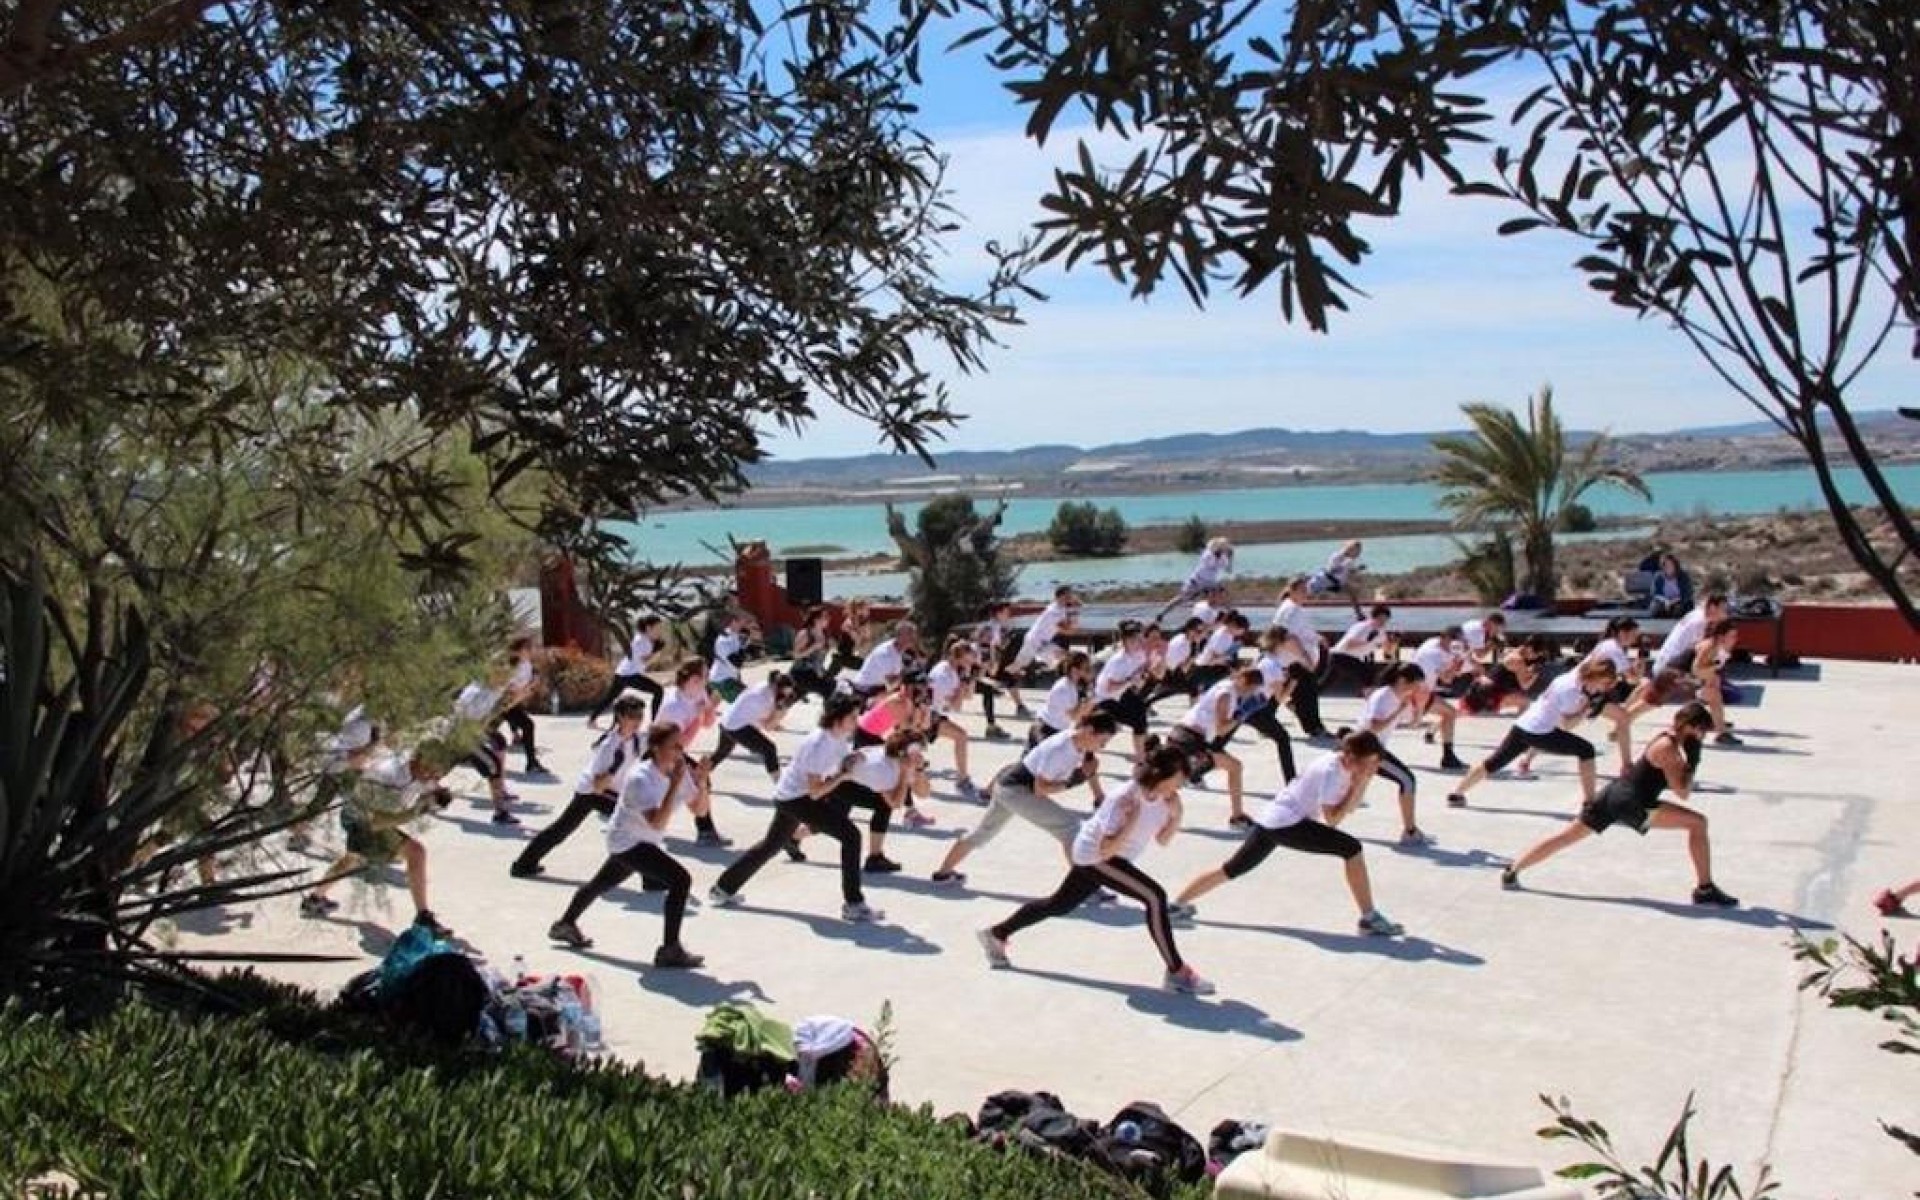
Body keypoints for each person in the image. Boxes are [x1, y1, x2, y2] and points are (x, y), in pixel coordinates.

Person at [978, 744, 1214, 995]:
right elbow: (1105, 851)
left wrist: (1177, 815)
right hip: (1096, 856)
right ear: (1160, 774)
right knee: (1155, 898)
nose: (1180, 785)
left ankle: (996, 934)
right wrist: (1131, 822)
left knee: (1059, 904)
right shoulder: (1124, 798)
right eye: (1178, 779)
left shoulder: (1165, 799)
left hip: (1108, 858)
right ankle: (1177, 972)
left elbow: (1163, 840)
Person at [1169, 730, 1405, 937]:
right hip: (1287, 824)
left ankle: (1176, 905)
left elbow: (1348, 807)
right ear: (1353, 757)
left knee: (1232, 868)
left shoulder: (1341, 763)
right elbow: (1333, 820)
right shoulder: (1332, 772)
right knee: (1352, 849)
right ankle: (1369, 917)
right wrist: (1361, 782)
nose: (1370, 768)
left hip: (1274, 819)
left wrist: (1359, 782)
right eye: (1368, 763)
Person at [1499, 703, 1737, 907]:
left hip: (1613, 793)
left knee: (1568, 836)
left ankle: (1513, 870)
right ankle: (1705, 889)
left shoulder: (1666, 738)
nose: (1703, 736)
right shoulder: (1670, 751)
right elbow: (1682, 792)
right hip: (1634, 803)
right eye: (1702, 731)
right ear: (1690, 727)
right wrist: (1693, 760)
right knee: (1698, 823)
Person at [709, 697, 886, 922]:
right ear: (838, 719)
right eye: (852, 717)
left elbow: (839, 762)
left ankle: (723, 888)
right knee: (851, 836)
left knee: (770, 845)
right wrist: (843, 776)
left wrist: (855, 757)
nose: (857, 720)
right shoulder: (818, 744)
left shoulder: (838, 737)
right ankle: (854, 904)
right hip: (797, 799)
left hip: (790, 796)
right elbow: (815, 792)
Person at [547, 721, 708, 967]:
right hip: (627, 841)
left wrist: (702, 782)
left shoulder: (679, 770)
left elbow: (699, 810)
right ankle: (670, 949)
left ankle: (564, 924)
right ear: (655, 748)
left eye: (681, 745)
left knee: (600, 883)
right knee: (680, 880)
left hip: (643, 841)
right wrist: (675, 785)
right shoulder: (640, 778)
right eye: (673, 745)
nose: (679, 750)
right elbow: (656, 822)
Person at [932, 711, 1118, 886]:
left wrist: (1092, 785)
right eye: (1102, 742)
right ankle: (1080, 888)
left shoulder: (1079, 742)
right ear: (1089, 731)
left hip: (1006, 787)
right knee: (1070, 828)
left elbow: (1088, 771)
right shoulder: (1061, 750)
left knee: (982, 832)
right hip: (1017, 791)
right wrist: (1075, 780)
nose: (1103, 748)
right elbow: (1040, 789)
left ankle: (943, 873)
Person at [300, 740, 457, 937]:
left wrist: (439, 793)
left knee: (352, 859)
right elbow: (378, 822)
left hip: (370, 817)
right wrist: (421, 809)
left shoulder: (421, 772)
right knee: (415, 852)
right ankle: (423, 917)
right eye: (431, 769)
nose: (434, 776)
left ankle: (314, 898)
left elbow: (428, 787)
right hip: (362, 820)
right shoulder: (388, 776)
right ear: (418, 761)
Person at [1447, 658, 1621, 808]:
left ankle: (1456, 793)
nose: (1603, 688)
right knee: (1586, 750)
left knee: (1494, 762)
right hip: (1539, 732)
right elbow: (1567, 725)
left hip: (1524, 724)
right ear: (1595, 676)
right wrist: (1587, 709)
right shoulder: (1571, 693)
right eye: (1603, 683)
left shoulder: (1572, 676)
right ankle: (1590, 803)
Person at [511, 692, 648, 878]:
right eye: (633, 716)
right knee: (636, 822)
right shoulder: (610, 746)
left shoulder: (637, 739)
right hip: (592, 792)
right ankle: (650, 878)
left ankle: (524, 864)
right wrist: (614, 768)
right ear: (621, 717)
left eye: (640, 716)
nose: (637, 720)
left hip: (604, 791)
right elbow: (598, 785)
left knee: (561, 830)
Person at [1166, 667, 1268, 827]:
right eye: (1251, 689)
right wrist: (1242, 715)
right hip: (1189, 740)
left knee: (1171, 780)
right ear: (1243, 682)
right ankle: (1237, 817)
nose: (1250, 693)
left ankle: (1237, 815)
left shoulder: (1227, 687)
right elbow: (1221, 729)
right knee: (1234, 767)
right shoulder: (1227, 694)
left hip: (1188, 738)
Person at [825, 728, 929, 874]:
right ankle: (875, 858)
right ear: (903, 754)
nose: (920, 755)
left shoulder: (899, 760)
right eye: (917, 751)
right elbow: (896, 803)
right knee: (883, 805)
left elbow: (923, 793)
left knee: (828, 821)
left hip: (854, 778)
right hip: (838, 783)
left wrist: (919, 770)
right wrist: (905, 774)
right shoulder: (882, 769)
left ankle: (794, 838)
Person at [1360, 662, 1436, 845]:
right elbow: (1372, 728)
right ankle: (1410, 832)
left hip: (1375, 748)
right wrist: (1399, 711)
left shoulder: (1401, 697)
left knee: (1346, 792)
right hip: (1366, 749)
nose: (1418, 688)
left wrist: (1420, 705)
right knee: (1408, 780)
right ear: (1402, 680)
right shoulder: (1383, 697)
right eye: (1416, 684)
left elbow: (1413, 725)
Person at [1270, 575, 1333, 739]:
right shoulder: (1290, 610)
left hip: (1295, 658)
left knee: (1299, 693)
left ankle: (1309, 724)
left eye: (1307, 590)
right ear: (1292, 591)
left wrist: (1318, 638)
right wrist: (1305, 657)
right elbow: (1287, 637)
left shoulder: (1295, 608)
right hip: (1293, 659)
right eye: (1303, 590)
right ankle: (1314, 727)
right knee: (1307, 693)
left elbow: (1302, 632)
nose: (1306, 593)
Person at [453, 676, 518, 824]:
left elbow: (491, 714)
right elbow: (461, 720)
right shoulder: (475, 693)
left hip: (473, 732)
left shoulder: (494, 689)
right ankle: (500, 812)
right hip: (462, 736)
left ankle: (500, 810)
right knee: (493, 766)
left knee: (497, 750)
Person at [926, 640, 985, 801]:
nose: (969, 662)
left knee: (961, 736)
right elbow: (956, 706)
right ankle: (962, 781)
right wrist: (962, 686)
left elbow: (968, 696)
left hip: (935, 714)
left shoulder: (952, 670)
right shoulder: (943, 675)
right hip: (926, 715)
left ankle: (962, 779)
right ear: (959, 657)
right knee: (961, 736)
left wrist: (970, 679)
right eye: (967, 659)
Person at [710, 673, 797, 781]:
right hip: (737, 727)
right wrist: (782, 709)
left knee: (721, 753)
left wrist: (777, 712)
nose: (784, 696)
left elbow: (761, 718)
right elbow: (768, 726)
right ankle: (780, 784)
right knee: (769, 749)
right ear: (777, 688)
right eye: (784, 694)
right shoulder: (765, 700)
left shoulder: (764, 685)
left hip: (727, 720)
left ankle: (698, 775)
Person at [1091, 619, 1154, 763]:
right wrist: (1131, 681)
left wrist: (1141, 675)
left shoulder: (1140, 653)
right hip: (1105, 697)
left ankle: (1141, 755)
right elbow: (1109, 687)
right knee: (1105, 728)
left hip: (1123, 691)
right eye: (1133, 639)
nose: (1138, 642)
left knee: (1141, 716)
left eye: (1139, 638)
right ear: (1125, 641)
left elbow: (1143, 666)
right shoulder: (1117, 661)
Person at [1409, 629, 1470, 771]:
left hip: (1421, 691)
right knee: (1391, 724)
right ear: (1446, 638)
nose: (1455, 645)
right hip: (1413, 694)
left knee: (1450, 713)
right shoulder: (1439, 654)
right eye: (1454, 641)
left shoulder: (1431, 642)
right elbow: (1447, 679)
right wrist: (1456, 664)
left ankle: (1448, 756)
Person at [589, 615, 666, 726]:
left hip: (622, 673)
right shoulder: (641, 641)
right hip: (629, 675)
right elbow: (644, 662)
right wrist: (656, 653)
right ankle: (655, 722)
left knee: (609, 698)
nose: (659, 631)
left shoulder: (645, 639)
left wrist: (656, 649)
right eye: (657, 628)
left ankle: (592, 719)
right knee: (658, 690)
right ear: (649, 628)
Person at [495, 635, 550, 775]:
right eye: (527, 648)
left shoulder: (527, 664)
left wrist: (532, 684)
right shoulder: (509, 667)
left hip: (513, 703)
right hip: (500, 704)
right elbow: (509, 689)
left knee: (527, 725)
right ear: (518, 650)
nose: (531, 651)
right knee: (484, 730)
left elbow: (526, 686)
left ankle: (531, 763)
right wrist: (528, 688)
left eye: (531, 647)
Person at [1006, 585, 1079, 680]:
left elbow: (1068, 624)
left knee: (1062, 656)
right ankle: (1001, 676)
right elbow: (1067, 630)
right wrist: (1075, 616)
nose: (1070, 597)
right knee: (1018, 665)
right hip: (1034, 641)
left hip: (1043, 642)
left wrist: (1074, 611)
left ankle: (1047, 667)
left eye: (1070, 595)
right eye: (1068, 595)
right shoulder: (1054, 611)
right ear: (1060, 597)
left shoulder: (1059, 608)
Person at [1155, 536, 1235, 622]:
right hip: (1197, 581)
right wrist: (1218, 555)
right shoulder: (1208, 554)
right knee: (1181, 598)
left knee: (1222, 595)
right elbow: (1210, 563)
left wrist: (1230, 559)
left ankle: (1231, 613)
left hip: (1210, 583)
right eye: (1222, 548)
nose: (1223, 550)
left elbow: (1228, 570)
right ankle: (1162, 613)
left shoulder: (1223, 558)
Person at [970, 601, 1018, 739]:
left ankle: (991, 726)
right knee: (989, 689)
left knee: (989, 690)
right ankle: (991, 727)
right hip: (977, 663)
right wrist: (990, 666)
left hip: (983, 663)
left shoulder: (997, 627)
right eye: (1006, 612)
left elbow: (995, 648)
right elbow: (984, 646)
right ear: (999, 613)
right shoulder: (990, 627)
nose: (1009, 614)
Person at [1322, 604, 1392, 695]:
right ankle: (1370, 700)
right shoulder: (1363, 626)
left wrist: (1392, 644)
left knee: (1326, 683)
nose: (1383, 622)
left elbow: (1387, 650)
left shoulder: (1381, 631)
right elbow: (1349, 644)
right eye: (1381, 619)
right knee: (1368, 675)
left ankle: (1308, 694)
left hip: (1351, 658)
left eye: (1386, 620)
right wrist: (1368, 642)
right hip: (1340, 656)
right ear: (1374, 617)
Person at [1029, 649, 1093, 746]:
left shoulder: (1076, 684)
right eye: (1087, 669)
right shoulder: (1063, 689)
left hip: (1058, 730)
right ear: (1074, 670)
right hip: (1045, 731)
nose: (1090, 671)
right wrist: (1089, 700)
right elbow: (1075, 716)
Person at [849, 620, 920, 700]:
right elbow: (891, 684)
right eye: (910, 634)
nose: (913, 638)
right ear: (899, 636)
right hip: (863, 691)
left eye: (913, 634)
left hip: (877, 689)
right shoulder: (885, 654)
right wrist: (906, 673)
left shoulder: (900, 651)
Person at [788, 606, 839, 704]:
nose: (828, 619)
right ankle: (831, 717)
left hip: (816, 672)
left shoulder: (825, 634)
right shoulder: (805, 634)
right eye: (825, 617)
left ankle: (830, 716)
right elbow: (795, 655)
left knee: (833, 686)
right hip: (801, 673)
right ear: (816, 619)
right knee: (829, 689)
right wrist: (813, 647)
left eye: (828, 617)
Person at [1308, 539, 1366, 617]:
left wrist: (1358, 569)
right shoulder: (1338, 556)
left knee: (1352, 591)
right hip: (1325, 581)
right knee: (1308, 593)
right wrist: (1343, 565)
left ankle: (1359, 614)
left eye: (1359, 553)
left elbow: (1350, 571)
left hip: (1336, 583)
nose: (1358, 555)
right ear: (1351, 550)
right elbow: (1331, 570)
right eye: (1357, 552)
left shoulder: (1349, 560)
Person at [709, 613, 755, 703]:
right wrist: (743, 646)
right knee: (748, 701)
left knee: (710, 708)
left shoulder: (736, 636)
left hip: (728, 678)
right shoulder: (724, 639)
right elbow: (736, 662)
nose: (745, 625)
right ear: (734, 622)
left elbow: (740, 660)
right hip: (722, 679)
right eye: (743, 622)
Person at [1647, 552, 1694, 617]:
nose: (1668, 567)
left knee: (1679, 609)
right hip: (1664, 602)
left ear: (1675, 565)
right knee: (1655, 607)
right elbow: (1654, 593)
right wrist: (1665, 601)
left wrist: (1674, 601)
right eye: (1665, 565)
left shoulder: (1683, 576)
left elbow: (1688, 593)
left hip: (1679, 601)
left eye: (1670, 565)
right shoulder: (1658, 576)